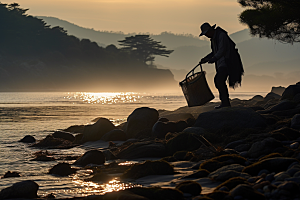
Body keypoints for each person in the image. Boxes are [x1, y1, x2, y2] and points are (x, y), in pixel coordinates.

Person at [199, 22, 244, 109]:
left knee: (218, 80)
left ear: (210, 30)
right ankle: (225, 102)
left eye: (206, 34)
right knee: (219, 81)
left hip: (227, 62)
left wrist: (213, 59)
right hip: (221, 64)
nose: (206, 36)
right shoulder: (214, 39)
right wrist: (205, 58)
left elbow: (222, 50)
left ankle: (225, 102)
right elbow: (215, 52)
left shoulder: (221, 36)